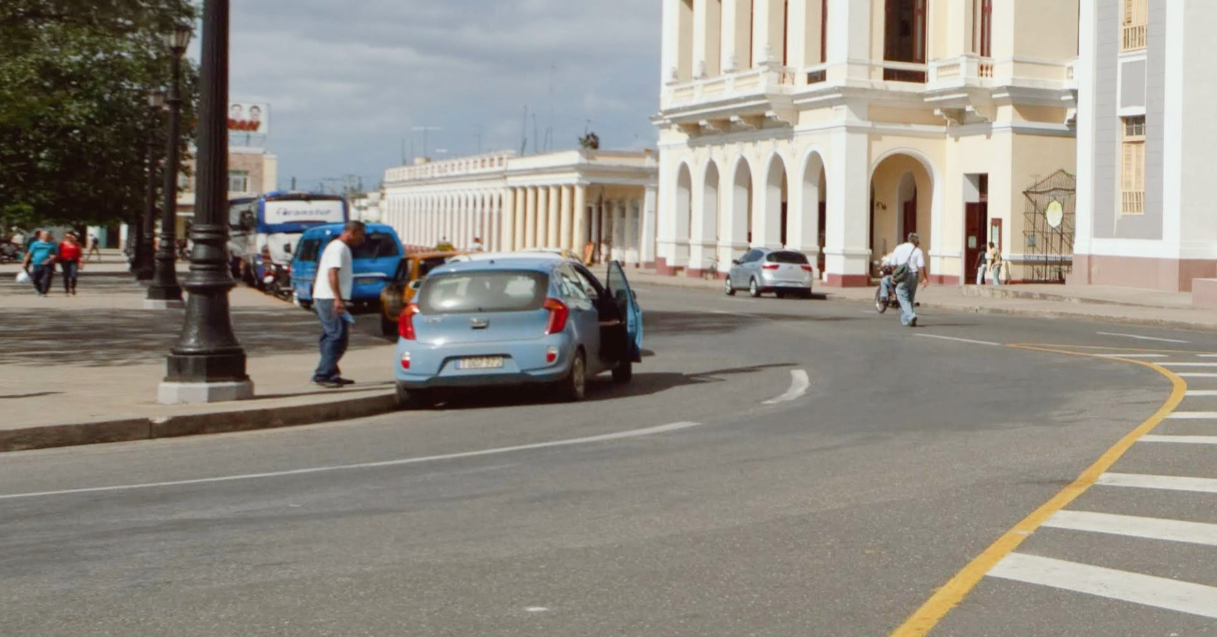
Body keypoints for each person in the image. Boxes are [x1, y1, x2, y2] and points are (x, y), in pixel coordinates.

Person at [311, 221, 367, 388]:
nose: (362, 239)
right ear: (351, 232)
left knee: (332, 336)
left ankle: (331, 372)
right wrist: (337, 298)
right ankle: (322, 374)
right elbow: (332, 273)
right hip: (329, 297)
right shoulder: (338, 248)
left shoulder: (339, 247)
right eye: (361, 235)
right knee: (337, 336)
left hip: (327, 296)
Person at [888, 233, 930, 327]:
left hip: (902, 275)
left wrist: (893, 275)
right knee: (910, 298)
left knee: (901, 295)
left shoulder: (898, 248)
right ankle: (906, 320)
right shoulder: (917, 251)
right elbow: (921, 266)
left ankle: (911, 316)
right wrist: (924, 278)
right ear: (916, 241)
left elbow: (893, 264)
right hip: (914, 275)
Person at [22, 231, 58, 297]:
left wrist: (49, 259)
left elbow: (55, 254)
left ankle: (44, 292)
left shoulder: (52, 244)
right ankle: (39, 289)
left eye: (47, 235)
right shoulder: (35, 244)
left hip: (48, 264)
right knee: (35, 278)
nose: (46, 236)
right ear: (40, 236)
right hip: (37, 263)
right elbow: (29, 253)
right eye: (44, 235)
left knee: (47, 278)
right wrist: (25, 262)